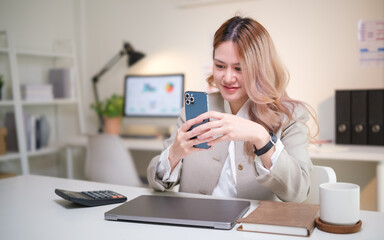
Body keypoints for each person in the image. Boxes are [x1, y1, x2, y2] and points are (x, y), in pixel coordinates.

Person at [147, 16, 318, 202]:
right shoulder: (196, 111)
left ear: (260, 68)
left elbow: (299, 192)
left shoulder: (289, 116)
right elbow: (157, 182)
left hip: (252, 228)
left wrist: (262, 137)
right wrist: (173, 155)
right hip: (194, 223)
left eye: (239, 68)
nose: (228, 78)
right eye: (220, 66)